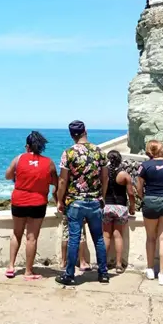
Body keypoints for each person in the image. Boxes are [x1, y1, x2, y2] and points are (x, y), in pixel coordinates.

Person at [55, 121, 109, 286]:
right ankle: (103, 273)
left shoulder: (69, 153)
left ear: (72, 135)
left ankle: (70, 275)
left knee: (74, 238)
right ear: (85, 131)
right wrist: (102, 196)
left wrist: (60, 200)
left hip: (75, 202)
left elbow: (63, 180)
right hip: (95, 201)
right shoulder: (99, 152)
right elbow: (105, 177)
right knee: (98, 238)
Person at [4, 131, 58, 280]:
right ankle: (28, 271)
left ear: (27, 146)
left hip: (19, 200)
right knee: (32, 238)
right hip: (38, 202)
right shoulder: (49, 162)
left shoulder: (19, 158)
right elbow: (55, 182)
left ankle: (11, 267)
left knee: (17, 233)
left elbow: (8, 176)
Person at [136, 141, 163, 285]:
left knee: (150, 237)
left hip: (150, 201)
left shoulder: (144, 166)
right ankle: (162, 274)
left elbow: (139, 187)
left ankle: (150, 269)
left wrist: (145, 198)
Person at [103, 150, 136, 275]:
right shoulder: (124, 175)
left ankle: (103, 263)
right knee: (118, 235)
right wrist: (132, 207)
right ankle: (118, 264)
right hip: (120, 207)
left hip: (107, 206)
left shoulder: (104, 174)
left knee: (106, 236)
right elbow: (131, 194)